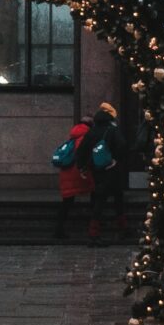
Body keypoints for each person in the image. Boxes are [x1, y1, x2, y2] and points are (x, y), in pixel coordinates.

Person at [84, 102, 125, 247]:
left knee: (99, 201)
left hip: (97, 171)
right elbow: (122, 145)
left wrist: (84, 167)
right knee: (118, 199)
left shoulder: (91, 132)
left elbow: (82, 150)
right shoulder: (113, 130)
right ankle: (122, 229)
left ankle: (94, 234)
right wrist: (116, 159)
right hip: (112, 171)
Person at [52, 119, 94, 241]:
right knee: (95, 194)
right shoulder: (84, 139)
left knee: (66, 203)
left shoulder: (73, 137)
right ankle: (95, 224)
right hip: (77, 174)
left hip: (66, 174)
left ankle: (59, 229)